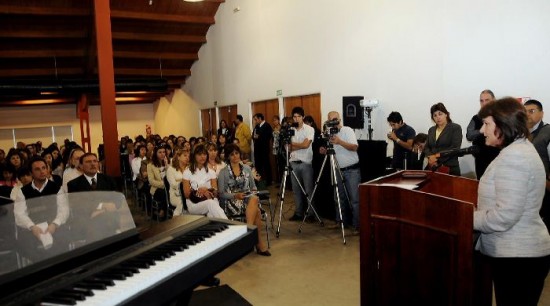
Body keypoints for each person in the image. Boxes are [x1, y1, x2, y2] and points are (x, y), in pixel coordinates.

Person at [474, 97, 550, 306]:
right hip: (517, 256)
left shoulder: (515, 156)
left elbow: (504, 216)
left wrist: (465, 217)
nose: (482, 130)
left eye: (487, 124)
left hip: (519, 259)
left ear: (503, 124)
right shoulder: (517, 150)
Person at [218, 144, 271, 256]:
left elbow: (254, 188)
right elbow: (221, 194)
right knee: (256, 210)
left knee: (254, 198)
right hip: (232, 202)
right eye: (232, 154)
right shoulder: (223, 172)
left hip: (248, 198)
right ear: (228, 157)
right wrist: (235, 196)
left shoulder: (247, 168)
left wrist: (250, 193)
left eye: (236, 153)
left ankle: (248, 233)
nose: (235, 156)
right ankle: (259, 244)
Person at [11, 157, 68, 260]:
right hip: (32, 228)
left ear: (47, 169)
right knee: (24, 245)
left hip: (54, 226)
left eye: (43, 168)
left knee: (63, 240)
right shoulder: (23, 191)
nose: (42, 171)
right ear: (31, 173)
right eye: (37, 169)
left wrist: (54, 224)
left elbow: (63, 210)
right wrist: (32, 227)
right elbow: (19, 214)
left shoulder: (56, 188)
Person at [319, 111, 361, 234]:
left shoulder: (347, 130)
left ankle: (357, 226)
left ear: (339, 119)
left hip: (351, 169)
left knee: (354, 199)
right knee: (338, 197)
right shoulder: (330, 134)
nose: (333, 122)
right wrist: (325, 150)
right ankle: (340, 222)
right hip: (337, 169)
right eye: (330, 120)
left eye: (335, 119)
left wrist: (339, 142)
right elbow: (334, 151)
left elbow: (354, 147)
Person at [524, 99, 550, 231]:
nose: (527, 114)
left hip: (545, 190)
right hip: (527, 190)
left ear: (542, 114)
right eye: (525, 112)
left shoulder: (548, 132)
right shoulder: (521, 134)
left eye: (531, 111)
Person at [182, 143, 227, 218]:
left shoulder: (211, 172)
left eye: (204, 154)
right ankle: (229, 225)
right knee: (211, 204)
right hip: (194, 202)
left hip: (211, 199)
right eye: (199, 154)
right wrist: (199, 191)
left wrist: (206, 189)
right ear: (194, 156)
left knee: (211, 211)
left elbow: (215, 193)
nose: (202, 157)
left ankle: (224, 227)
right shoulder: (187, 172)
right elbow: (186, 195)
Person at [288, 107, 315, 221]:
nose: (296, 118)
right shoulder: (290, 129)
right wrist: (297, 145)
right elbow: (288, 148)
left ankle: (310, 214)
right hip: (293, 163)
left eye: (299, 116)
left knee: (308, 190)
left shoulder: (309, 129)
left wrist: (294, 145)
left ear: (303, 117)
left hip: (305, 163)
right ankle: (298, 213)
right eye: (294, 116)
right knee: (296, 190)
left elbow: (306, 145)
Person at [466, 89, 501, 179]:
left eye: (487, 100)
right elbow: (469, 136)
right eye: (481, 101)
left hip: (498, 159)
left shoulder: (502, 117)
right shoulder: (476, 118)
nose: (484, 103)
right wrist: (481, 131)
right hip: (480, 161)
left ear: (494, 100)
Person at [424, 102, 463, 176]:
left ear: (446, 114)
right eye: (435, 115)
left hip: (450, 168)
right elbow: (427, 147)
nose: (438, 117)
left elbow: (455, 148)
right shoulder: (431, 130)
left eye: (440, 114)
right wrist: (430, 157)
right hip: (433, 167)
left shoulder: (455, 128)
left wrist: (436, 156)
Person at [147, 144, 169, 219]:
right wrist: (163, 184)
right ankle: (163, 210)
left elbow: (170, 175)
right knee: (164, 192)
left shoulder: (168, 163)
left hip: (168, 186)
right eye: (160, 152)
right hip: (157, 188)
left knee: (170, 191)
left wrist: (166, 166)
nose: (162, 154)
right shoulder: (150, 165)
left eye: (164, 152)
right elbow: (151, 181)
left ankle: (167, 210)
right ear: (155, 154)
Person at [167, 149, 190, 216]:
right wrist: (185, 181)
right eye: (185, 156)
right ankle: (176, 220)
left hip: (188, 192)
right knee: (182, 201)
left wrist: (180, 180)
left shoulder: (189, 168)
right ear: (178, 157)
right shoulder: (171, 169)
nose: (187, 158)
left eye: (188, 156)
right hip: (175, 195)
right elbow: (173, 184)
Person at [252, 113, 273, 185]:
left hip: (264, 149)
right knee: (258, 165)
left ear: (260, 118)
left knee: (266, 165)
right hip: (257, 149)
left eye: (256, 119)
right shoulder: (257, 126)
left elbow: (268, 136)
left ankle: (268, 181)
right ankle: (259, 180)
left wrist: (259, 137)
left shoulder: (267, 126)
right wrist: (255, 137)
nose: (255, 121)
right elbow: (253, 135)